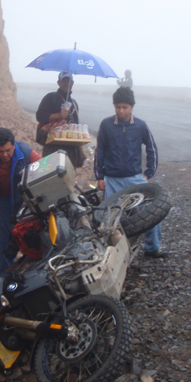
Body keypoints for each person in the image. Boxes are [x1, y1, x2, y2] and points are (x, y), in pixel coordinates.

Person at [94, 87, 165, 258]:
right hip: (112, 180)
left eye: (125, 107)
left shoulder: (140, 126)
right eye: (118, 107)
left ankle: (152, 248)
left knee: (152, 212)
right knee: (107, 218)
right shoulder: (106, 124)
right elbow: (100, 152)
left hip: (135, 179)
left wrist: (148, 173)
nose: (121, 111)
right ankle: (107, 254)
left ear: (132, 106)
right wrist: (100, 177)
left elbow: (152, 149)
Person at [0, 128, 42, 273]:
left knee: (8, 233)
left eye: (8, 150)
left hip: (11, 198)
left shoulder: (25, 152)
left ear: (14, 145)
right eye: (0, 151)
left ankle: (5, 273)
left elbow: (43, 165)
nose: (5, 155)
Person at [35, 71, 84, 168]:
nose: (66, 83)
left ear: (72, 83)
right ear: (58, 83)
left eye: (68, 81)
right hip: (52, 147)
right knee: (50, 174)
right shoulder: (50, 97)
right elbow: (40, 116)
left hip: (70, 149)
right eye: (64, 81)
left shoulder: (74, 103)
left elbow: (76, 125)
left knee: (68, 178)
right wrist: (59, 115)